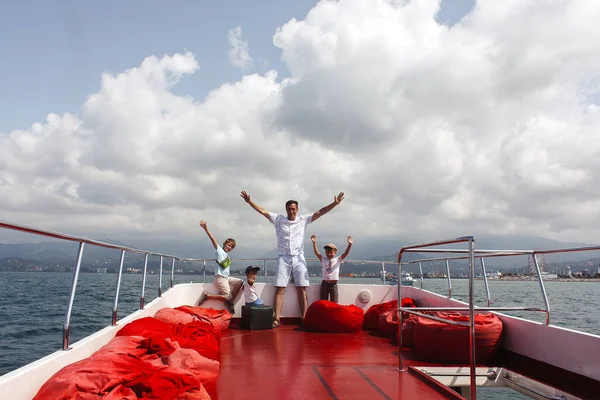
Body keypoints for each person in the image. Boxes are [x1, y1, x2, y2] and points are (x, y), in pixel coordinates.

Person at [241, 190, 345, 327]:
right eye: (289, 209)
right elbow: (263, 211)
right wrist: (249, 202)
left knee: (301, 288)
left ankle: (304, 318)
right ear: (286, 209)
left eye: (294, 209)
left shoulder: (303, 220)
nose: (291, 211)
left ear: (297, 209)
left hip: (298, 257)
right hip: (283, 257)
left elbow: (320, 212)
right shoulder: (278, 220)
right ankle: (277, 318)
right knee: (280, 288)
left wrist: (334, 204)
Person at [197, 220, 242, 314]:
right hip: (220, 278)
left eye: (231, 247)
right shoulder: (219, 251)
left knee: (240, 282)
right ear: (225, 243)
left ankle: (229, 302)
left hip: (226, 277)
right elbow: (212, 239)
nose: (229, 247)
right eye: (229, 245)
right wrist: (206, 228)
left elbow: (224, 268)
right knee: (228, 296)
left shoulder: (227, 256)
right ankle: (207, 296)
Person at [311, 234, 353, 303]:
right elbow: (317, 252)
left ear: (335, 252)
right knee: (323, 302)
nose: (329, 254)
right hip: (324, 284)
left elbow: (346, 253)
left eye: (331, 252)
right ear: (325, 252)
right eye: (327, 252)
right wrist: (314, 242)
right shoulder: (323, 259)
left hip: (334, 284)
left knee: (334, 303)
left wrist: (350, 245)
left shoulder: (338, 259)